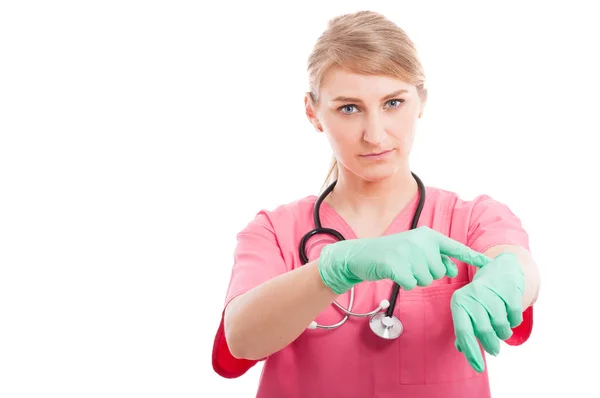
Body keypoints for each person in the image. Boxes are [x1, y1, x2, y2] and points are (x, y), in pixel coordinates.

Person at [211, 10, 541, 398]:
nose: (375, 134)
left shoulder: (470, 218)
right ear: (313, 112)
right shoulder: (274, 231)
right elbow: (241, 341)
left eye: (393, 103)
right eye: (349, 108)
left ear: (421, 100)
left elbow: (518, 265)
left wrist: (503, 281)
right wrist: (332, 270)